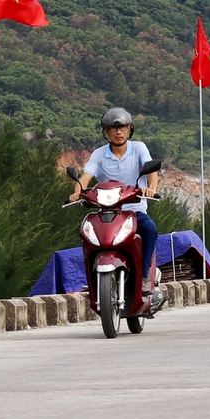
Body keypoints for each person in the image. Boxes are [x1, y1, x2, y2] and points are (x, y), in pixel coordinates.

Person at [75, 107, 162, 302]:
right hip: (107, 212)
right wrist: (77, 191)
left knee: (149, 229)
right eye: (113, 129)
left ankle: (146, 275)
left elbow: (151, 172)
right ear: (106, 131)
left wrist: (152, 188)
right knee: (87, 233)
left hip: (134, 210)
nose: (118, 132)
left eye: (123, 127)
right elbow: (86, 176)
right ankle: (92, 278)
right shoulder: (99, 154)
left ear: (129, 129)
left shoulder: (139, 148)